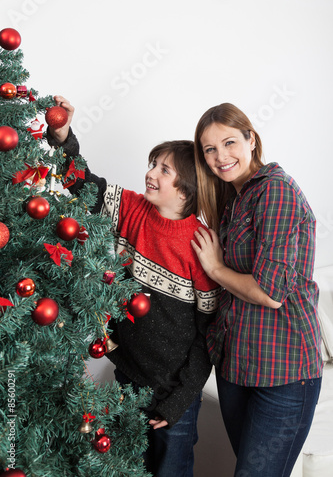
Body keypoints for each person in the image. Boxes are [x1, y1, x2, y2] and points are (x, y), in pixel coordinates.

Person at [47, 95, 220, 477]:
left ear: (187, 189)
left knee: (169, 468)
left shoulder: (201, 247)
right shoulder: (133, 208)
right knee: (126, 466)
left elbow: (209, 336)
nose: (151, 174)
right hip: (127, 373)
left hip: (172, 392)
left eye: (164, 170)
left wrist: (176, 403)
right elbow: (83, 185)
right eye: (152, 164)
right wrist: (63, 136)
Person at [190, 102, 323, 477]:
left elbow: (269, 292)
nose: (220, 156)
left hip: (284, 372)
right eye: (210, 149)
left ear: (251, 140)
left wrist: (214, 268)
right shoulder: (234, 198)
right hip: (237, 366)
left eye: (229, 142)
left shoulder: (276, 192)